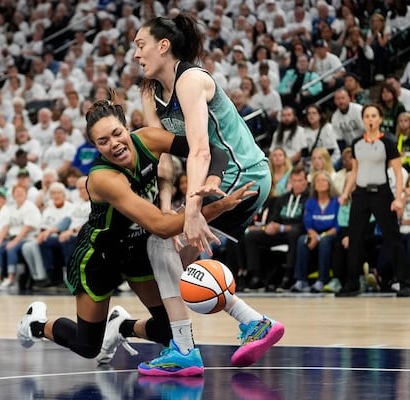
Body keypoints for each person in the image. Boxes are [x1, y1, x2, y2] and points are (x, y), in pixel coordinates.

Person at [16, 100, 251, 376]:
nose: (114, 144)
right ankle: (35, 324)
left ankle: (121, 326)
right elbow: (161, 226)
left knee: (168, 332)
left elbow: (211, 148)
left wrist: (213, 178)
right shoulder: (103, 178)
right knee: (88, 346)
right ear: (95, 146)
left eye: (117, 133)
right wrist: (218, 207)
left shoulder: (149, 140)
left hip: (137, 250)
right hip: (99, 257)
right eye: (103, 141)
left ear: (127, 128)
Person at [132, 12, 284, 372]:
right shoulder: (151, 93)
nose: (136, 54)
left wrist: (193, 208)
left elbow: (201, 149)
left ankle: (184, 350)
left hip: (241, 174)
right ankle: (253, 322)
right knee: (176, 255)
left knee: (160, 245)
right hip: (215, 179)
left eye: (141, 45)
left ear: (163, 46)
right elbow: (165, 160)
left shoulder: (191, 79)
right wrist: (168, 211)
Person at [338, 103, 410, 297]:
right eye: (367, 116)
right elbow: (354, 171)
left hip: (381, 192)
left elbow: (397, 172)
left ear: (379, 119)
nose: (370, 120)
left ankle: (404, 282)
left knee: (392, 237)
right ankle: (352, 284)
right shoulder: (356, 143)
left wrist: (398, 198)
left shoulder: (387, 142)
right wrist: (346, 192)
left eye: (374, 116)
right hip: (361, 194)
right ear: (363, 120)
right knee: (354, 238)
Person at [243, 164, 309, 291]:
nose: (297, 184)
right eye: (294, 181)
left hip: (297, 231)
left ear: (306, 181)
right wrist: (271, 225)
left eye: (300, 181)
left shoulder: (310, 199)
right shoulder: (282, 199)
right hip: (280, 232)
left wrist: (284, 228)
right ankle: (256, 276)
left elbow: (305, 223)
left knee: (294, 233)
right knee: (251, 236)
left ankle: (288, 276)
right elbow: (274, 217)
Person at [291, 170, 340, 292]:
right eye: (318, 180)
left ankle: (321, 280)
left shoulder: (336, 202)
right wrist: (314, 235)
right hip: (314, 233)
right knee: (302, 240)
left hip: (331, 234)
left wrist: (320, 237)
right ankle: (301, 280)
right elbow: (308, 223)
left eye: (324, 180)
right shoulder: (310, 202)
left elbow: (337, 226)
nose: (320, 183)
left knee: (325, 241)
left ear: (329, 184)